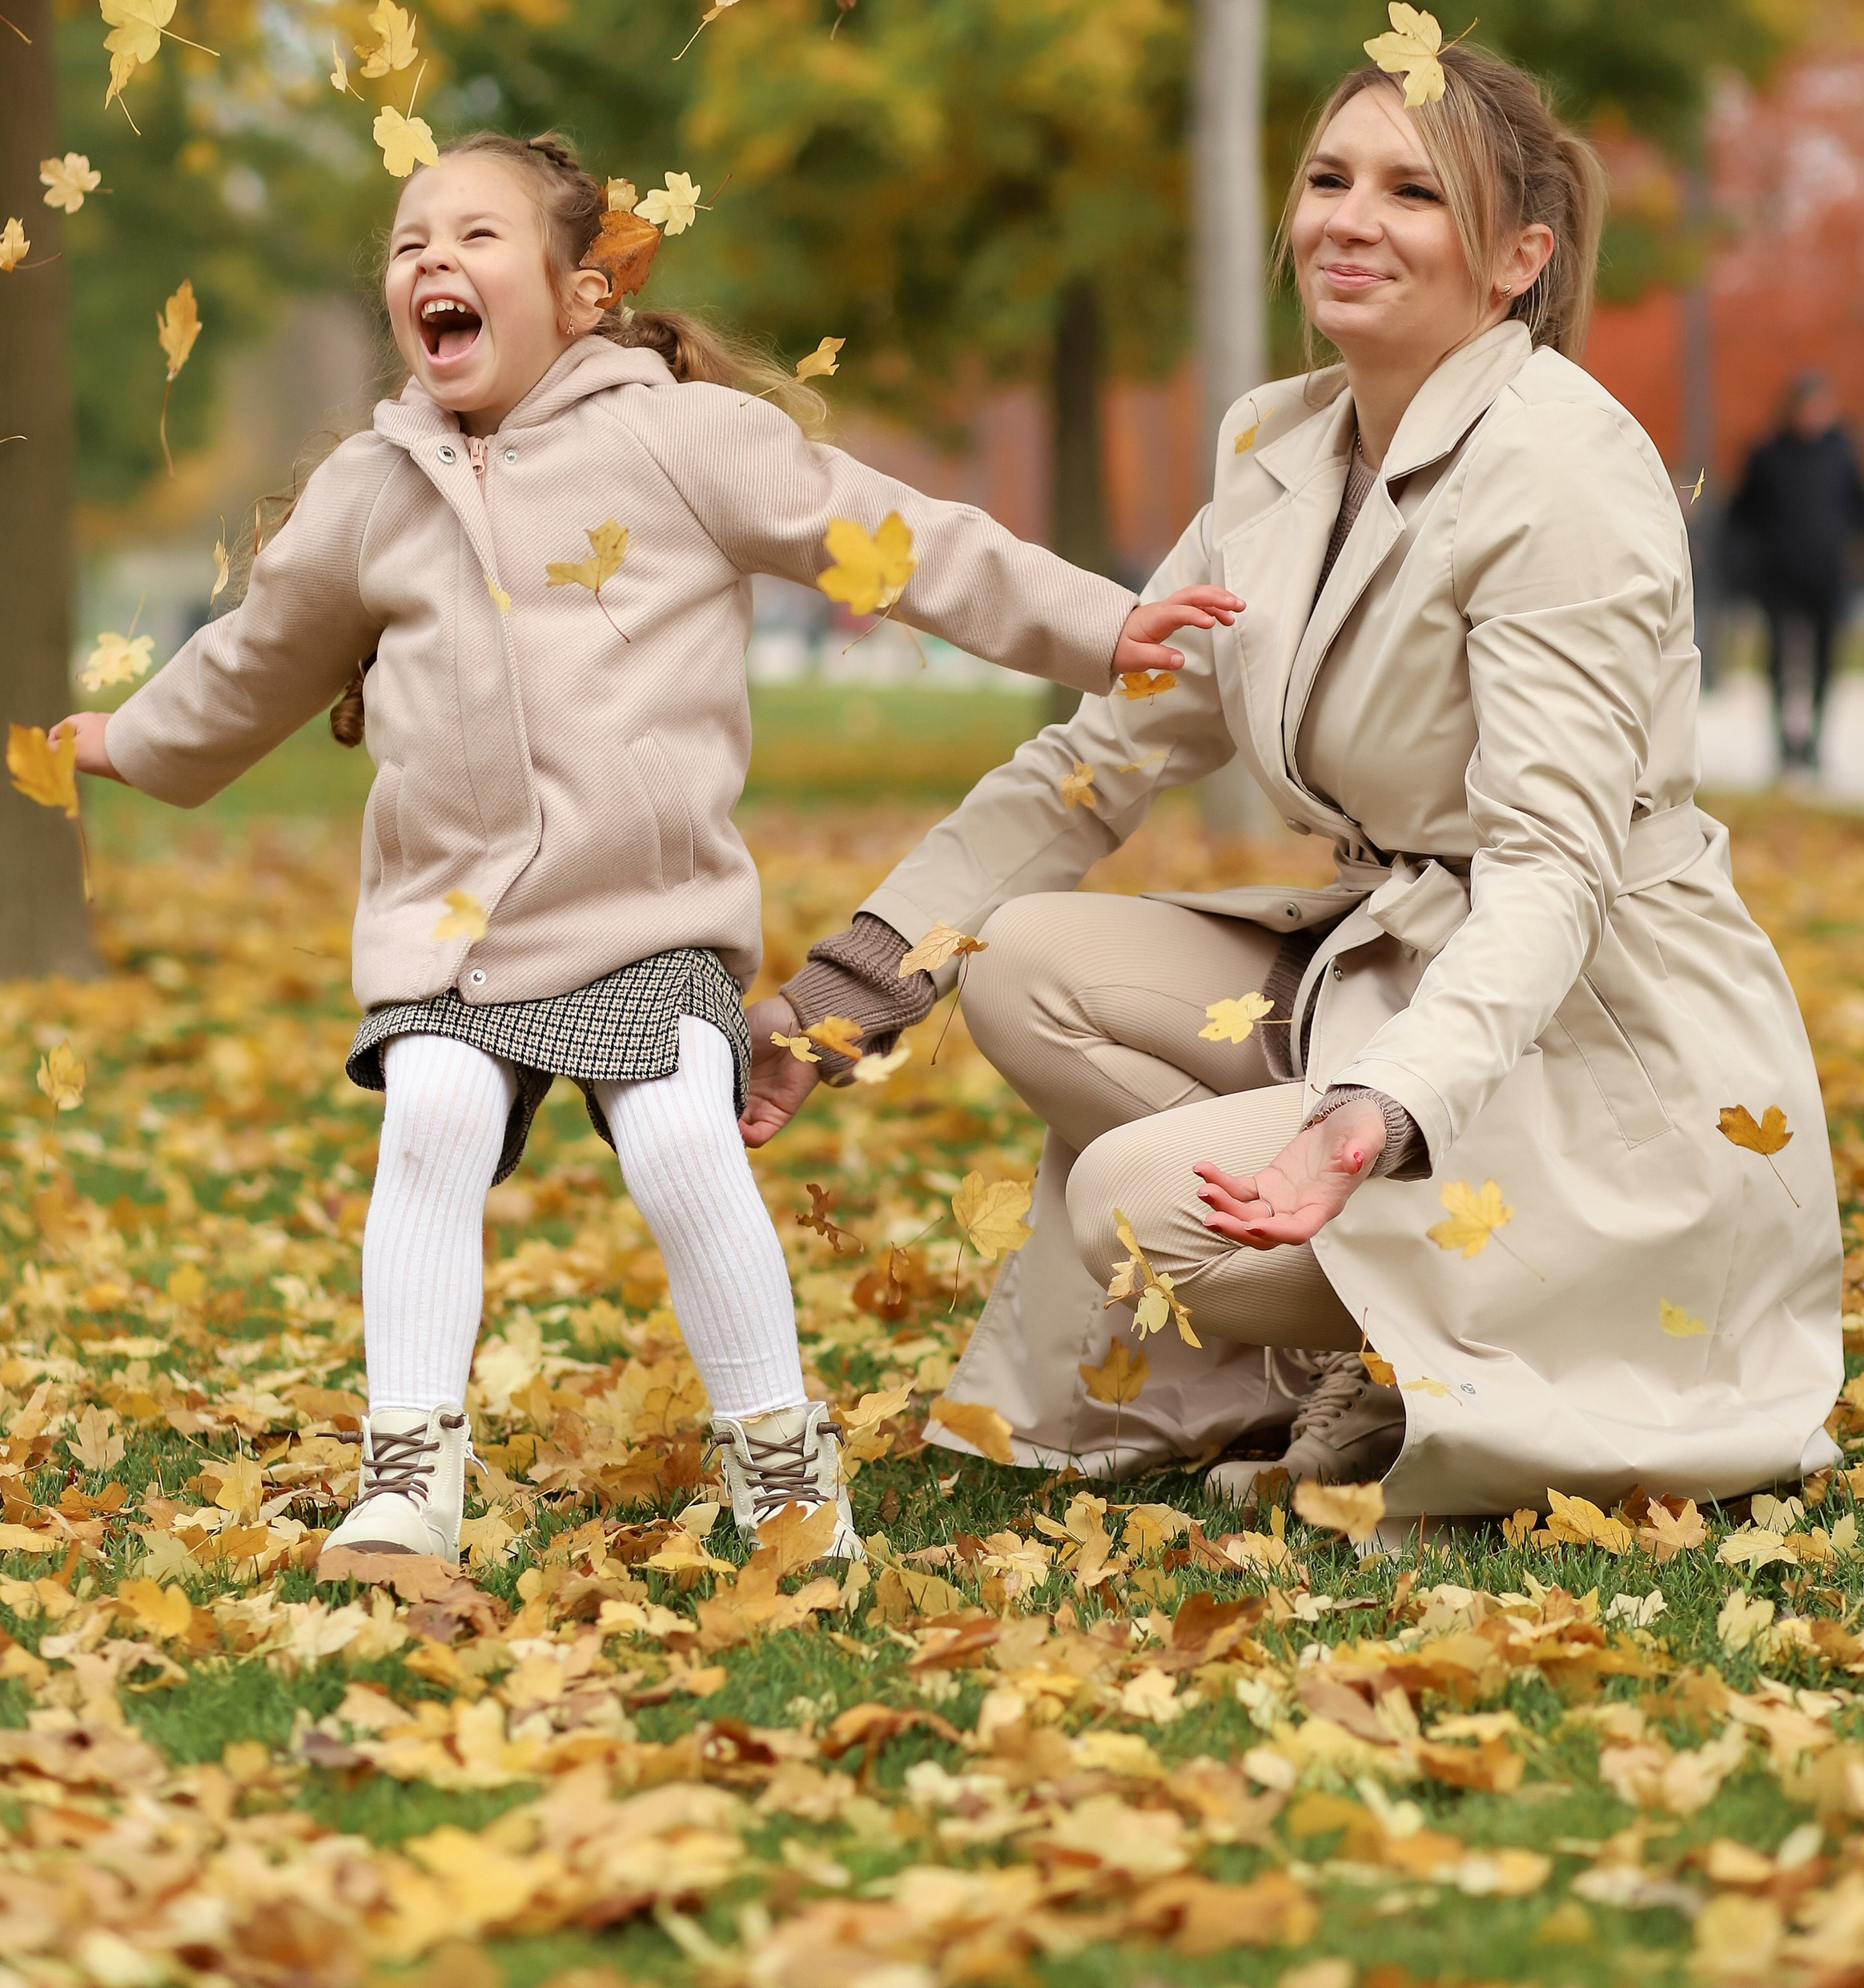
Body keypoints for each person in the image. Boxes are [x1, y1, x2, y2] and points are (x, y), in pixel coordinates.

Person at [66, 133, 1229, 1563]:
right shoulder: (371, 491)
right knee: (430, 1115)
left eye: (476, 236)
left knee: (683, 1125)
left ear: (582, 292)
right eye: (407, 241)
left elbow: (897, 539)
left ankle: (781, 1462)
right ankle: (406, 1468)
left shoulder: (680, 441)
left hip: (644, 916)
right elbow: (256, 659)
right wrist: (133, 741)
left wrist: (1095, 626)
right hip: (453, 930)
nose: (432, 258)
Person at [748, 23, 1844, 1520]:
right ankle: (1340, 1337)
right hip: (1385, 960)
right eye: (1330, 176)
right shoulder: (1281, 449)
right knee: (1012, 964)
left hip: (1591, 1034)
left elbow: (1549, 876)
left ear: (1517, 257)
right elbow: (1097, 759)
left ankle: (1401, 1344)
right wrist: (857, 985)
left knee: (1132, 1206)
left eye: (1411, 192)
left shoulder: (1567, 474)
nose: (1348, 217)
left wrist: (1380, 1116)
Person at [1726, 373, 1864, 775]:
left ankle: (1814, 738)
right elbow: (1742, 515)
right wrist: (1745, 568)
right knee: (1779, 660)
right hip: (1778, 577)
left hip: (1828, 575)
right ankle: (1783, 741)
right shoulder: (1767, 455)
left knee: (1825, 661)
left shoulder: (1843, 452)